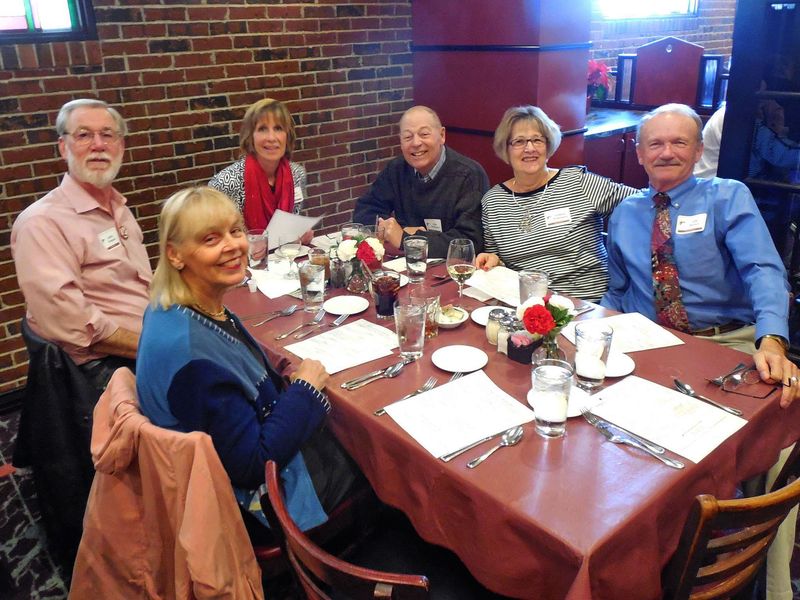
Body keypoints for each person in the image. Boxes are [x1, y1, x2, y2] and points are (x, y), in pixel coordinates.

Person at [601, 103, 799, 600]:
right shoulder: (625, 214)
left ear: (697, 149)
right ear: (640, 154)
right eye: (656, 144)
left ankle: (770, 588)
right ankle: (643, 561)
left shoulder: (727, 196)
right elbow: (618, 292)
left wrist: (772, 337)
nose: (667, 152)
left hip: (728, 342)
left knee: (778, 453)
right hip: (653, 345)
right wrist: (595, 335)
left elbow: (763, 269)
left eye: (679, 142)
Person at [136, 186, 359, 534]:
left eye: (235, 231)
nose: (233, 245)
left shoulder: (174, 307)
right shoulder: (192, 356)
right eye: (210, 239)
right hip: (252, 504)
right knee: (369, 454)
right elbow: (254, 463)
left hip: (227, 464)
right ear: (175, 254)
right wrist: (303, 390)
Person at [11, 98, 151, 391]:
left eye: (107, 135)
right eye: (84, 135)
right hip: (105, 369)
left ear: (121, 146)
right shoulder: (41, 223)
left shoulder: (119, 208)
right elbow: (75, 325)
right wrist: (157, 347)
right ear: (64, 147)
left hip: (146, 343)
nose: (98, 145)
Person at [475, 105, 638, 302]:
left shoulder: (578, 183)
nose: (530, 148)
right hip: (528, 305)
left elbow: (640, 204)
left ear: (548, 144)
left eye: (537, 140)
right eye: (519, 141)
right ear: (506, 149)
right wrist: (494, 260)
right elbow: (496, 260)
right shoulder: (493, 201)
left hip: (586, 303)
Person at [352, 105, 489, 258]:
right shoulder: (396, 169)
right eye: (408, 137)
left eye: (424, 134)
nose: (416, 143)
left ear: (442, 135)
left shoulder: (469, 175)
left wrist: (408, 240)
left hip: (452, 271)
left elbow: (469, 241)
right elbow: (364, 210)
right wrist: (392, 229)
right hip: (407, 265)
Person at [209, 98, 312, 243]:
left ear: (287, 135)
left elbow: (291, 225)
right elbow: (213, 238)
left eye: (278, 128)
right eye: (262, 129)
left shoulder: (297, 174)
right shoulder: (225, 183)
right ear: (250, 137)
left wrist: (299, 235)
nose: (271, 138)